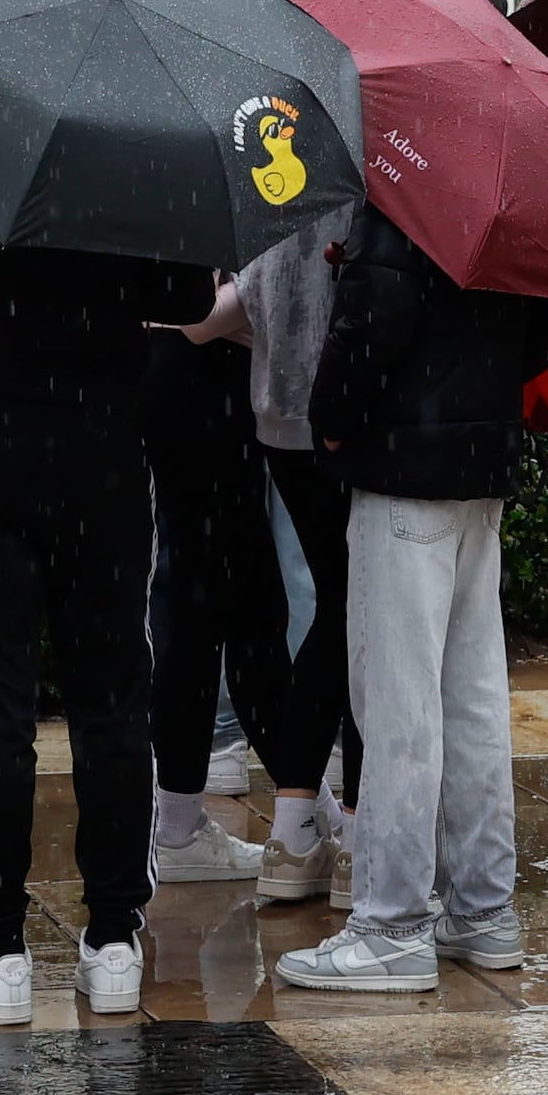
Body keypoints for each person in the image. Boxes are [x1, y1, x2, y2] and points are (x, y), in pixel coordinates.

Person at [0, 185, 204, 1023]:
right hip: (101, 446)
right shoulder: (128, 144)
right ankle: (111, 941)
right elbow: (191, 294)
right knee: (112, 700)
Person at [284, 196, 548, 987]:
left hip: (404, 466)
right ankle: (482, 908)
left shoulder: (409, 194)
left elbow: (369, 321)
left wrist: (334, 415)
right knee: (471, 701)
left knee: (399, 705)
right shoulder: (506, 194)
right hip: (478, 461)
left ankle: (394, 922)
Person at [225, 181, 364, 905]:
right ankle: (358, 842)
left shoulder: (279, 162)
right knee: (363, 615)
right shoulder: (368, 170)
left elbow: (232, 305)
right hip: (343, 421)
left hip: (280, 417)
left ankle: (294, 830)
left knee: (344, 610)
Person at [141, 314, 288, 893]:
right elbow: (196, 316)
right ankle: (314, 818)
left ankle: (178, 822)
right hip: (203, 394)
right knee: (236, 612)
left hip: (201, 390)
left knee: (208, 611)